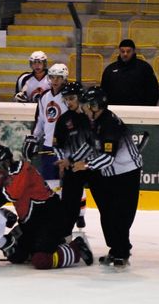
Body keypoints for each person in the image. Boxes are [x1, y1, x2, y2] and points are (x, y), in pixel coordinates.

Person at [0, 145, 93, 270]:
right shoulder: (7, 176)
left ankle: (77, 247)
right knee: (15, 255)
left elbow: (10, 194)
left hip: (50, 221)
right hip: (32, 224)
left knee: (41, 260)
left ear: (6, 162)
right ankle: (44, 245)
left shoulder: (22, 169)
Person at [72, 86, 142, 268]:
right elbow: (89, 145)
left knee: (121, 214)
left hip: (126, 174)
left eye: (88, 105)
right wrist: (71, 159)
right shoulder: (93, 120)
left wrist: (85, 165)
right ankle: (115, 249)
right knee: (108, 213)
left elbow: (108, 158)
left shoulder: (110, 123)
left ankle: (122, 250)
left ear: (97, 106)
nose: (84, 108)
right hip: (109, 173)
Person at [53, 82, 95, 237]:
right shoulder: (63, 120)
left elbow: (93, 144)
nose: (68, 102)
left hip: (92, 166)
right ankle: (65, 237)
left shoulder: (91, 117)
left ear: (80, 98)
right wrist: (62, 163)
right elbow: (57, 146)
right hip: (72, 169)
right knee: (69, 206)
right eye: (66, 99)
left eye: (71, 98)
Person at [22, 63, 68, 192]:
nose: (55, 80)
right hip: (48, 147)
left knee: (67, 183)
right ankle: (53, 210)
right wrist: (34, 138)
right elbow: (41, 121)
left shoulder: (69, 97)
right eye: (52, 77)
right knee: (49, 183)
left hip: (65, 148)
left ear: (64, 78)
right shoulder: (44, 96)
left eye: (59, 77)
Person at [101, 39, 159, 106]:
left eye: (128, 51)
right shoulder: (110, 70)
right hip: (115, 109)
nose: (125, 54)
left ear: (133, 51)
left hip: (139, 110)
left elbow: (153, 91)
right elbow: (104, 91)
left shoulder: (144, 68)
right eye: (122, 51)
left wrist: (147, 109)